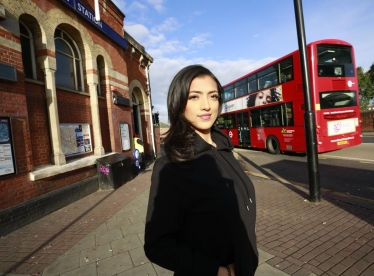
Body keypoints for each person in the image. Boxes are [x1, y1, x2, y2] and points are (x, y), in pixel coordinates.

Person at [144, 65, 258, 276]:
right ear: (179, 104)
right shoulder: (171, 166)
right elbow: (157, 245)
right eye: (194, 97)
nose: (206, 105)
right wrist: (220, 272)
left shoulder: (224, 149)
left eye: (213, 96)